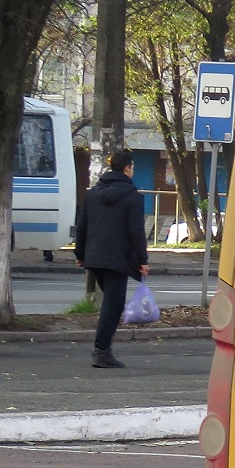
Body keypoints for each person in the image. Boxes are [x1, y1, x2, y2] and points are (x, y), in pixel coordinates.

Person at [72, 149, 149, 370]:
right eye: (133, 167)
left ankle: (103, 350)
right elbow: (136, 231)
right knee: (113, 306)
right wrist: (142, 259)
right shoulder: (132, 196)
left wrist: (81, 254)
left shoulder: (93, 193)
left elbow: (82, 225)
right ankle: (102, 352)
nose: (133, 170)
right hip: (118, 258)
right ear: (127, 168)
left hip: (95, 256)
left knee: (111, 303)